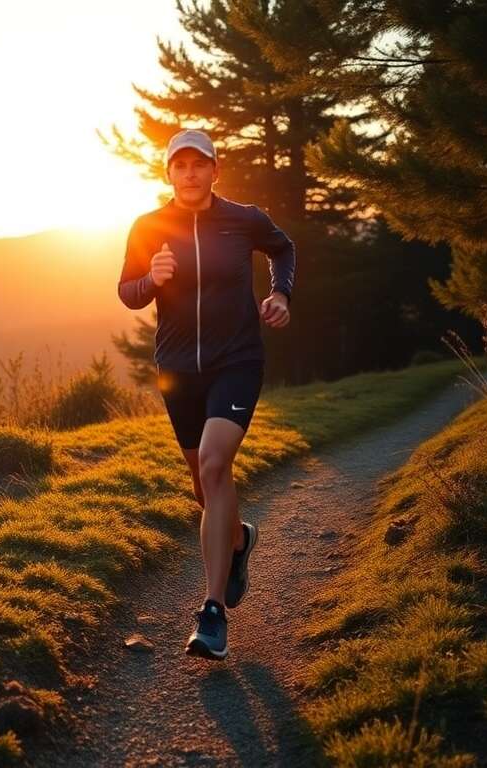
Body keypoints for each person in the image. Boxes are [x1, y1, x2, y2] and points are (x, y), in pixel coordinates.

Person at [117, 128, 296, 660]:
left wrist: (280, 293)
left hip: (236, 362)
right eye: (181, 166)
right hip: (177, 371)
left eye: (201, 165)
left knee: (217, 467)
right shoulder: (148, 227)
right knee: (203, 487)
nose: (190, 174)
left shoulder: (243, 219)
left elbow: (283, 248)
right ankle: (237, 540)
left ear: (216, 171)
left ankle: (212, 612)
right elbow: (127, 292)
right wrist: (151, 278)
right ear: (168, 173)